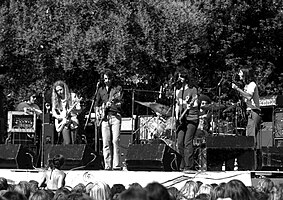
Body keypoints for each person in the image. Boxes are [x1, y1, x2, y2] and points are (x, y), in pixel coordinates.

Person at [95, 70, 123, 170]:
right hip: (104, 119)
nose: (107, 81)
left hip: (115, 116)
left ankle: (116, 165)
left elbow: (120, 101)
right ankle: (107, 165)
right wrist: (99, 112)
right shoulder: (100, 89)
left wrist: (114, 103)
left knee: (115, 140)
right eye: (105, 79)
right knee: (106, 142)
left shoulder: (117, 89)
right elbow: (97, 104)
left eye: (109, 78)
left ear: (112, 78)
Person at [175, 72, 199, 171]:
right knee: (180, 142)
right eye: (179, 76)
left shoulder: (193, 90)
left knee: (187, 142)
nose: (179, 78)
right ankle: (181, 165)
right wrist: (177, 116)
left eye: (181, 76)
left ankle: (189, 166)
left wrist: (190, 105)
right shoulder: (178, 91)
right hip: (182, 119)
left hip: (192, 118)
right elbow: (177, 105)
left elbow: (196, 103)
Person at [232, 68, 261, 141]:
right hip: (249, 113)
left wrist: (237, 88)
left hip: (253, 112)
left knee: (251, 137)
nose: (239, 74)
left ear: (245, 74)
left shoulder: (252, 84)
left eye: (240, 73)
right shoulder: (246, 86)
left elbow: (248, 96)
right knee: (249, 136)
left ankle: (254, 152)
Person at [51, 80, 82, 144]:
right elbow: (54, 112)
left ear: (64, 88)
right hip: (64, 123)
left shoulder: (72, 96)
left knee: (74, 142)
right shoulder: (56, 100)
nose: (59, 92)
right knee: (67, 142)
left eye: (60, 89)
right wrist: (60, 117)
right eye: (57, 91)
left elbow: (79, 110)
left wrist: (74, 110)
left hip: (73, 122)